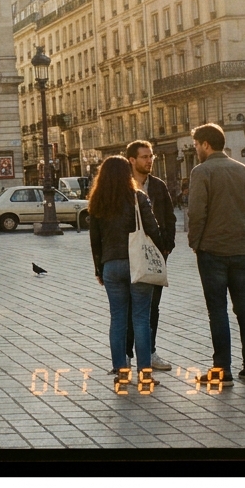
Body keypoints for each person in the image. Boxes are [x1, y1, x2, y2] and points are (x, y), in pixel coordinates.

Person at [187, 123, 245, 386]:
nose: (195, 149)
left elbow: (197, 213)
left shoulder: (202, 171)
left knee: (217, 311)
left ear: (206, 145)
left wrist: (195, 242)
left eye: (197, 145)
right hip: (240, 251)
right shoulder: (244, 171)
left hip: (212, 251)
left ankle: (223, 371)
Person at [88, 155, 161, 384]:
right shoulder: (138, 198)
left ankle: (121, 371)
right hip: (137, 263)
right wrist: (160, 253)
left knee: (117, 318)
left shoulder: (98, 201)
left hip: (111, 265)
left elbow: (95, 240)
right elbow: (153, 230)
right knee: (141, 319)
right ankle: (145, 374)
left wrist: (99, 269)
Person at [123, 140, 176, 371]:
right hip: (128, 254)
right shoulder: (122, 186)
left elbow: (169, 217)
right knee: (128, 308)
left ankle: (150, 352)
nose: (149, 160)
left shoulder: (158, 186)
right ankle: (126, 354)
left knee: (152, 307)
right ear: (132, 160)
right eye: (144, 157)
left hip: (154, 255)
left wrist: (167, 246)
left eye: (151, 156)